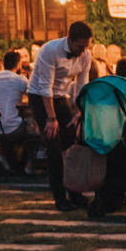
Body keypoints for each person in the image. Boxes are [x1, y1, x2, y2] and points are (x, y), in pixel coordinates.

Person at [26, 21, 95, 212]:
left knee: (72, 144)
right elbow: (44, 87)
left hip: (61, 97)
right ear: (70, 40)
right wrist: (51, 119)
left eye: (86, 46)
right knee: (54, 148)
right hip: (40, 97)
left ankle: (75, 193)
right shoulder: (50, 50)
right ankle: (60, 198)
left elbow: (82, 85)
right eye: (80, 46)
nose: (83, 51)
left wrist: (79, 112)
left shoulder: (86, 55)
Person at [0, 49, 30, 170]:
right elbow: (32, 96)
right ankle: (26, 164)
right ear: (18, 64)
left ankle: (5, 159)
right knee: (32, 130)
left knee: (8, 124)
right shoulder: (20, 79)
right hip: (12, 128)